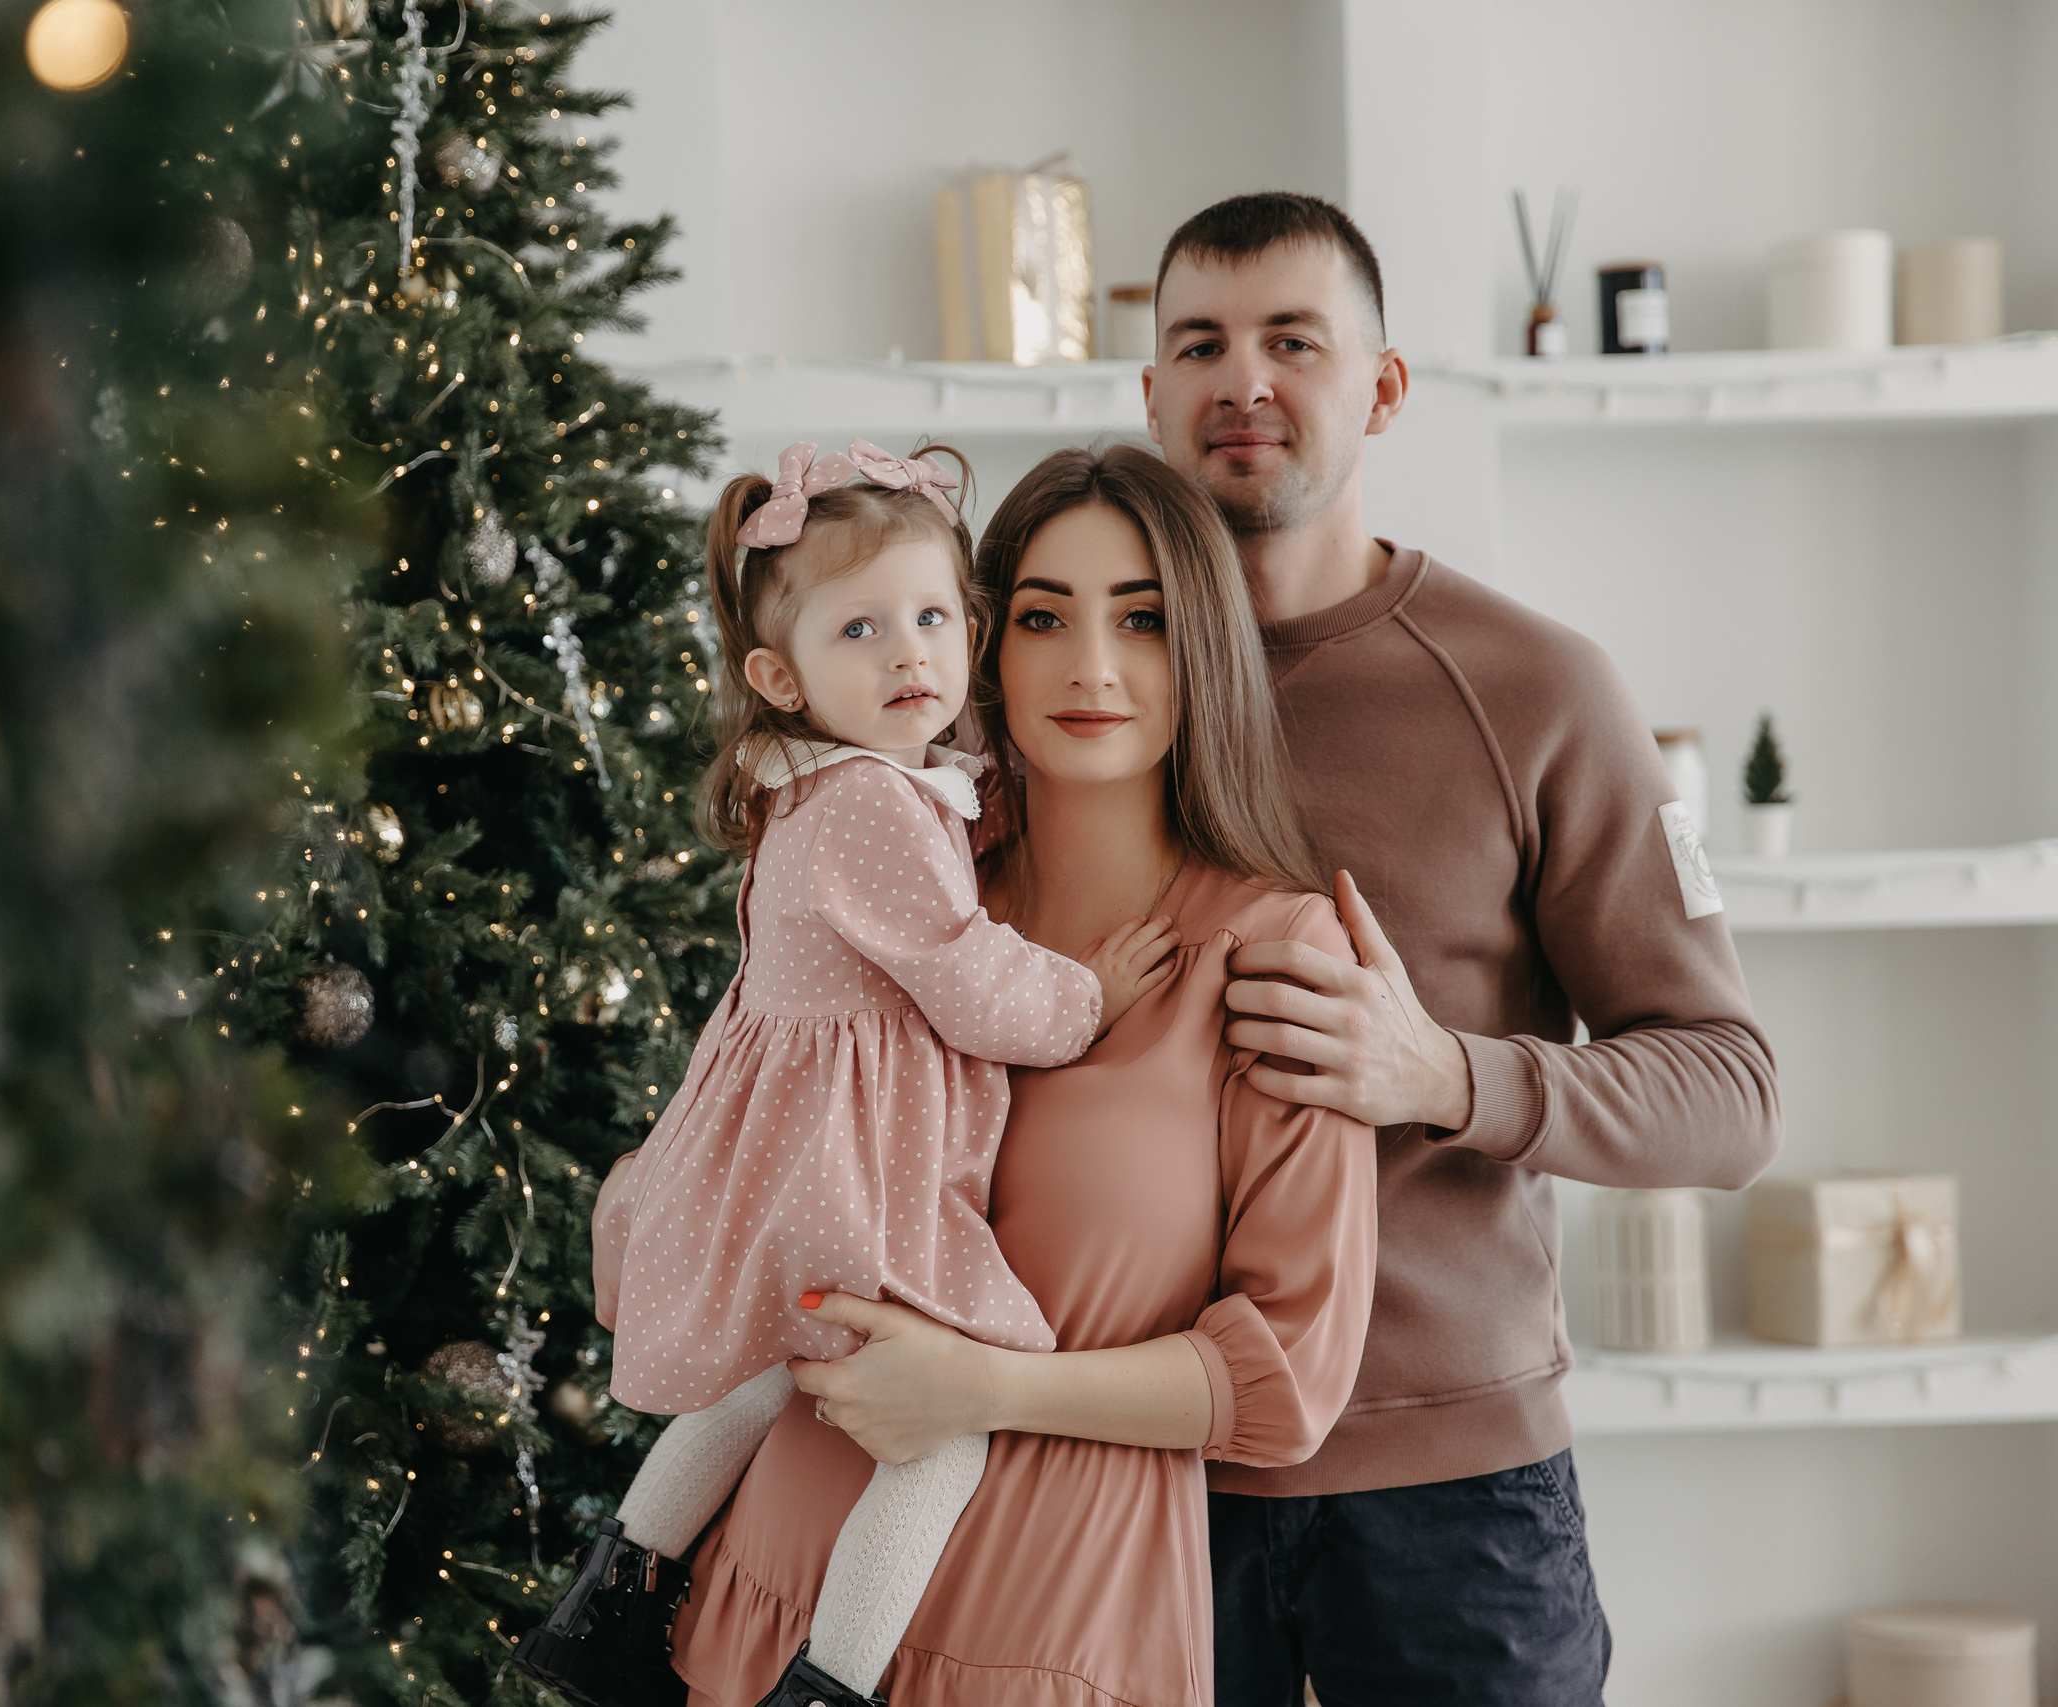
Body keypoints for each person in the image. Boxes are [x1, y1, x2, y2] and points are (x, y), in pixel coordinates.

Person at [1139, 192, 1786, 1704]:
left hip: (1456, 1503)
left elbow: (1732, 1090)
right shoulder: (1061, 681)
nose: (1244, 380)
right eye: (1200, 344)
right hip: (1134, 1472)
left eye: (1293, 340)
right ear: (1152, 393)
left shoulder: (1538, 686)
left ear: (1382, 387)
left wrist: (1443, 1070)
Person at [656, 445, 1380, 1705]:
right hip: (773, 1595)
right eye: (1043, 616)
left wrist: (986, 1386)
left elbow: (1281, 1389)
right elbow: (726, 1147)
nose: (1091, 666)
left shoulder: (1272, 955)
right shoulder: (891, 891)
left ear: (1200, 649)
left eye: (1142, 620)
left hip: (1049, 1630)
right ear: (991, 647)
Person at [514, 437, 1182, 1707]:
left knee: (769, 1374)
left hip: (787, 1154)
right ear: (781, 674)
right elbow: (970, 977)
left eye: (933, 617)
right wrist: (1089, 994)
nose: (910, 655)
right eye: (863, 630)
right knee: (944, 1438)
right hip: (850, 1167)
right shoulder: (876, 807)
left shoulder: (819, 789)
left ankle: (610, 1596)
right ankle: (832, 1684)